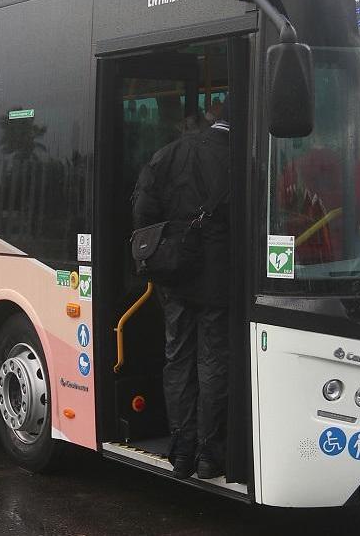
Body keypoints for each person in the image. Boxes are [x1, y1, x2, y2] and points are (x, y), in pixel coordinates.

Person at [132, 100, 231, 480]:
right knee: (212, 364)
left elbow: (142, 215)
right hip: (218, 281)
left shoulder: (167, 155)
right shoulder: (237, 155)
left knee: (177, 361)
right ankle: (210, 454)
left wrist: (164, 253)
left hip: (173, 278)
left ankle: (182, 453)